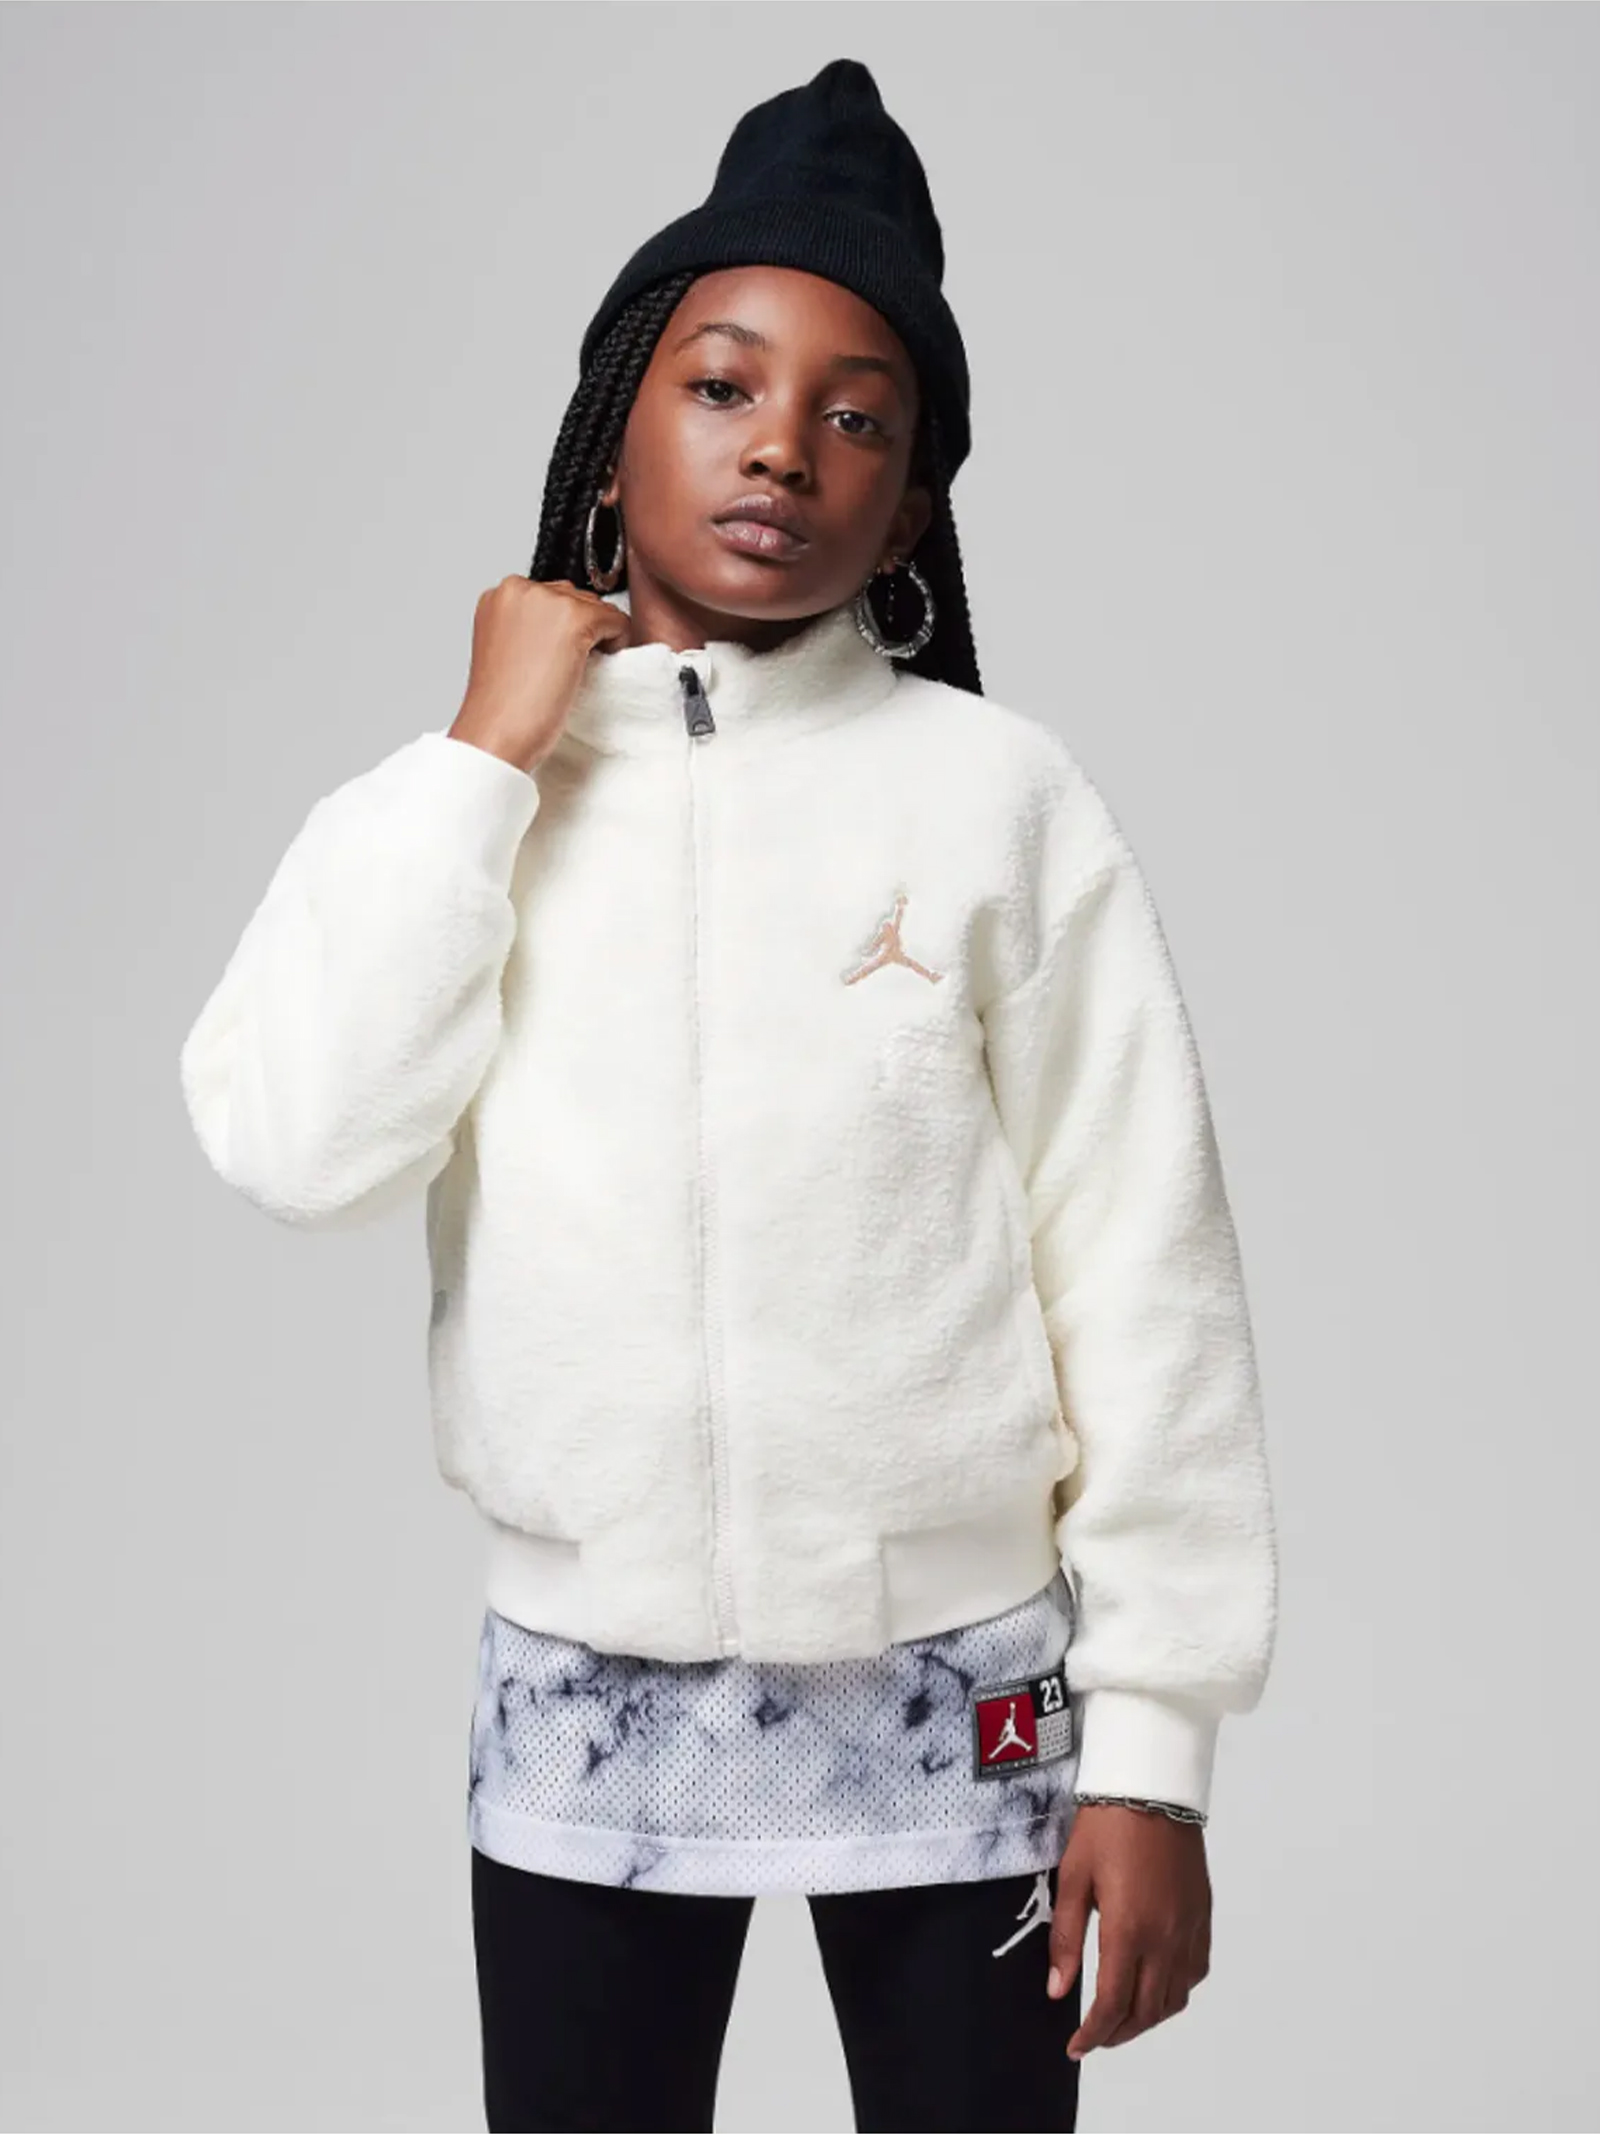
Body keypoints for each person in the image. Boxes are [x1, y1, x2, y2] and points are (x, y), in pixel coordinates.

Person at [179, 56, 1278, 2134]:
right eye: (721, 386)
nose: (783, 444)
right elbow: (295, 1143)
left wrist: (1153, 1755)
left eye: (860, 417)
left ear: (912, 500)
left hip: (963, 1680)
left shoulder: (998, 801)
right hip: (587, 1694)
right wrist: (482, 760)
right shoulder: (463, 801)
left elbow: (1146, 1271)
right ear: (616, 426)